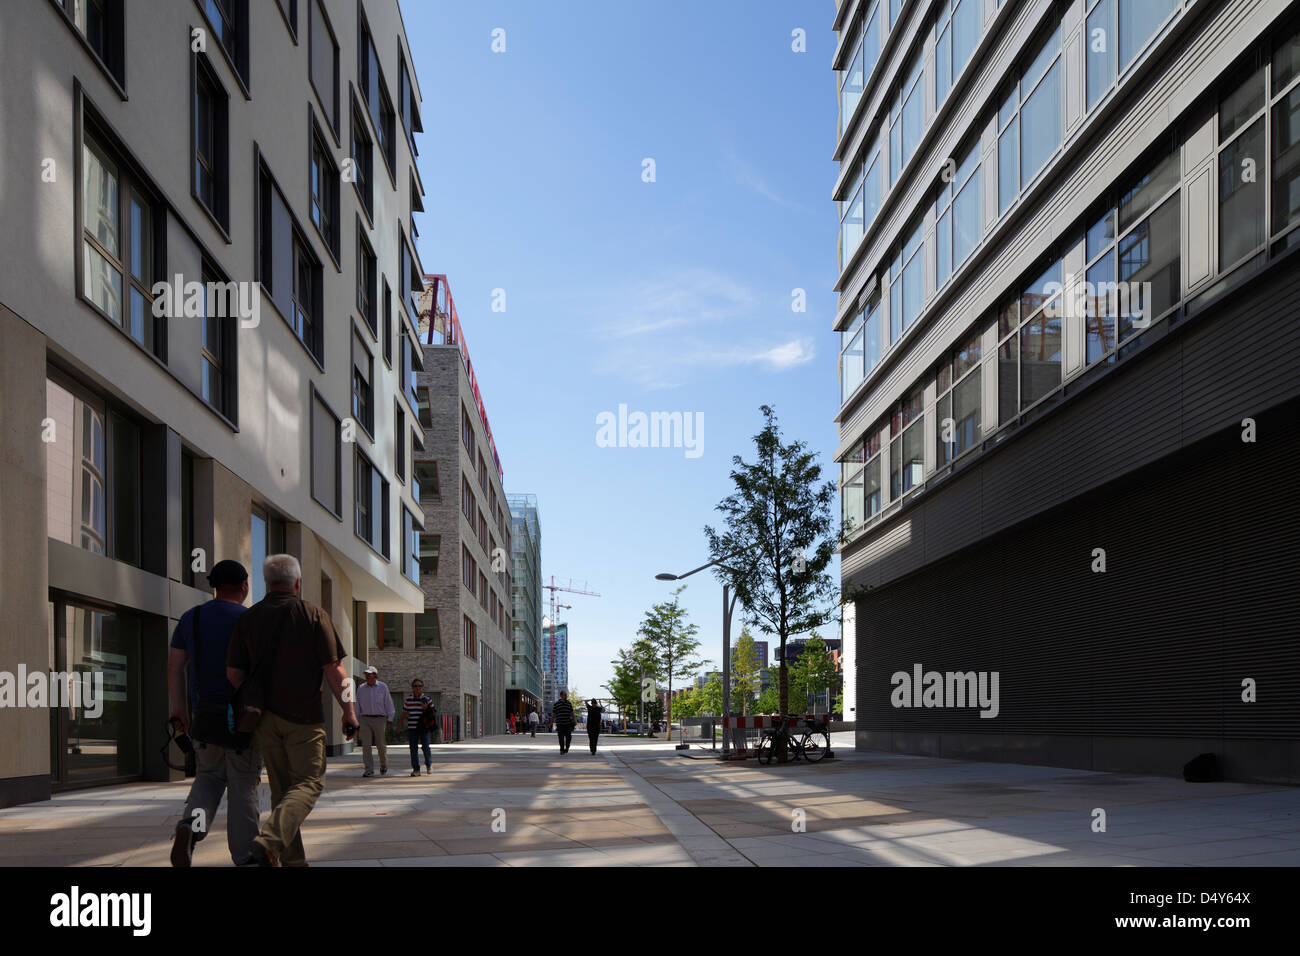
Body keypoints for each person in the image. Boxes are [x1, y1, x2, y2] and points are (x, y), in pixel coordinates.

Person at [226, 554, 356, 867]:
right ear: (297, 583)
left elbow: (234, 674)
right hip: (303, 716)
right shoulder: (312, 614)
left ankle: (292, 862)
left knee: (283, 791)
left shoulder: (248, 618)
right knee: (310, 783)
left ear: (267, 583)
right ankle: (269, 841)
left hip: (264, 719)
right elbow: (335, 669)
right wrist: (349, 710)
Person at [167, 560, 259, 867]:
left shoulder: (191, 618)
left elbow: (176, 667)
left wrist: (181, 709)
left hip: (203, 717)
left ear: (214, 586)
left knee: (207, 779)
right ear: (244, 586)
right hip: (243, 720)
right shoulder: (251, 620)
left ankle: (188, 829)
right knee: (243, 784)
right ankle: (245, 856)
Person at [356, 666, 394, 777]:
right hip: (365, 719)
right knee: (366, 745)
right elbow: (357, 705)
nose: (368, 676)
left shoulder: (383, 687)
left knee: (380, 745)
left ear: (375, 676)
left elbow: (388, 703)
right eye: (366, 674)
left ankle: (383, 764)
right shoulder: (361, 688)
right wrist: (356, 720)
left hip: (380, 719)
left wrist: (390, 718)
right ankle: (369, 769)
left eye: (370, 674)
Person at [403, 680, 434, 775]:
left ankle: (428, 764)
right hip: (412, 728)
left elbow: (433, 713)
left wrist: (426, 708)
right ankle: (416, 769)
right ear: (412, 687)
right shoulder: (408, 699)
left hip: (424, 728)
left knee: (425, 747)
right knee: (413, 748)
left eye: (420, 686)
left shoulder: (427, 699)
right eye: (415, 686)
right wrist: (399, 725)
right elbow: (404, 713)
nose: (417, 688)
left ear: (422, 687)